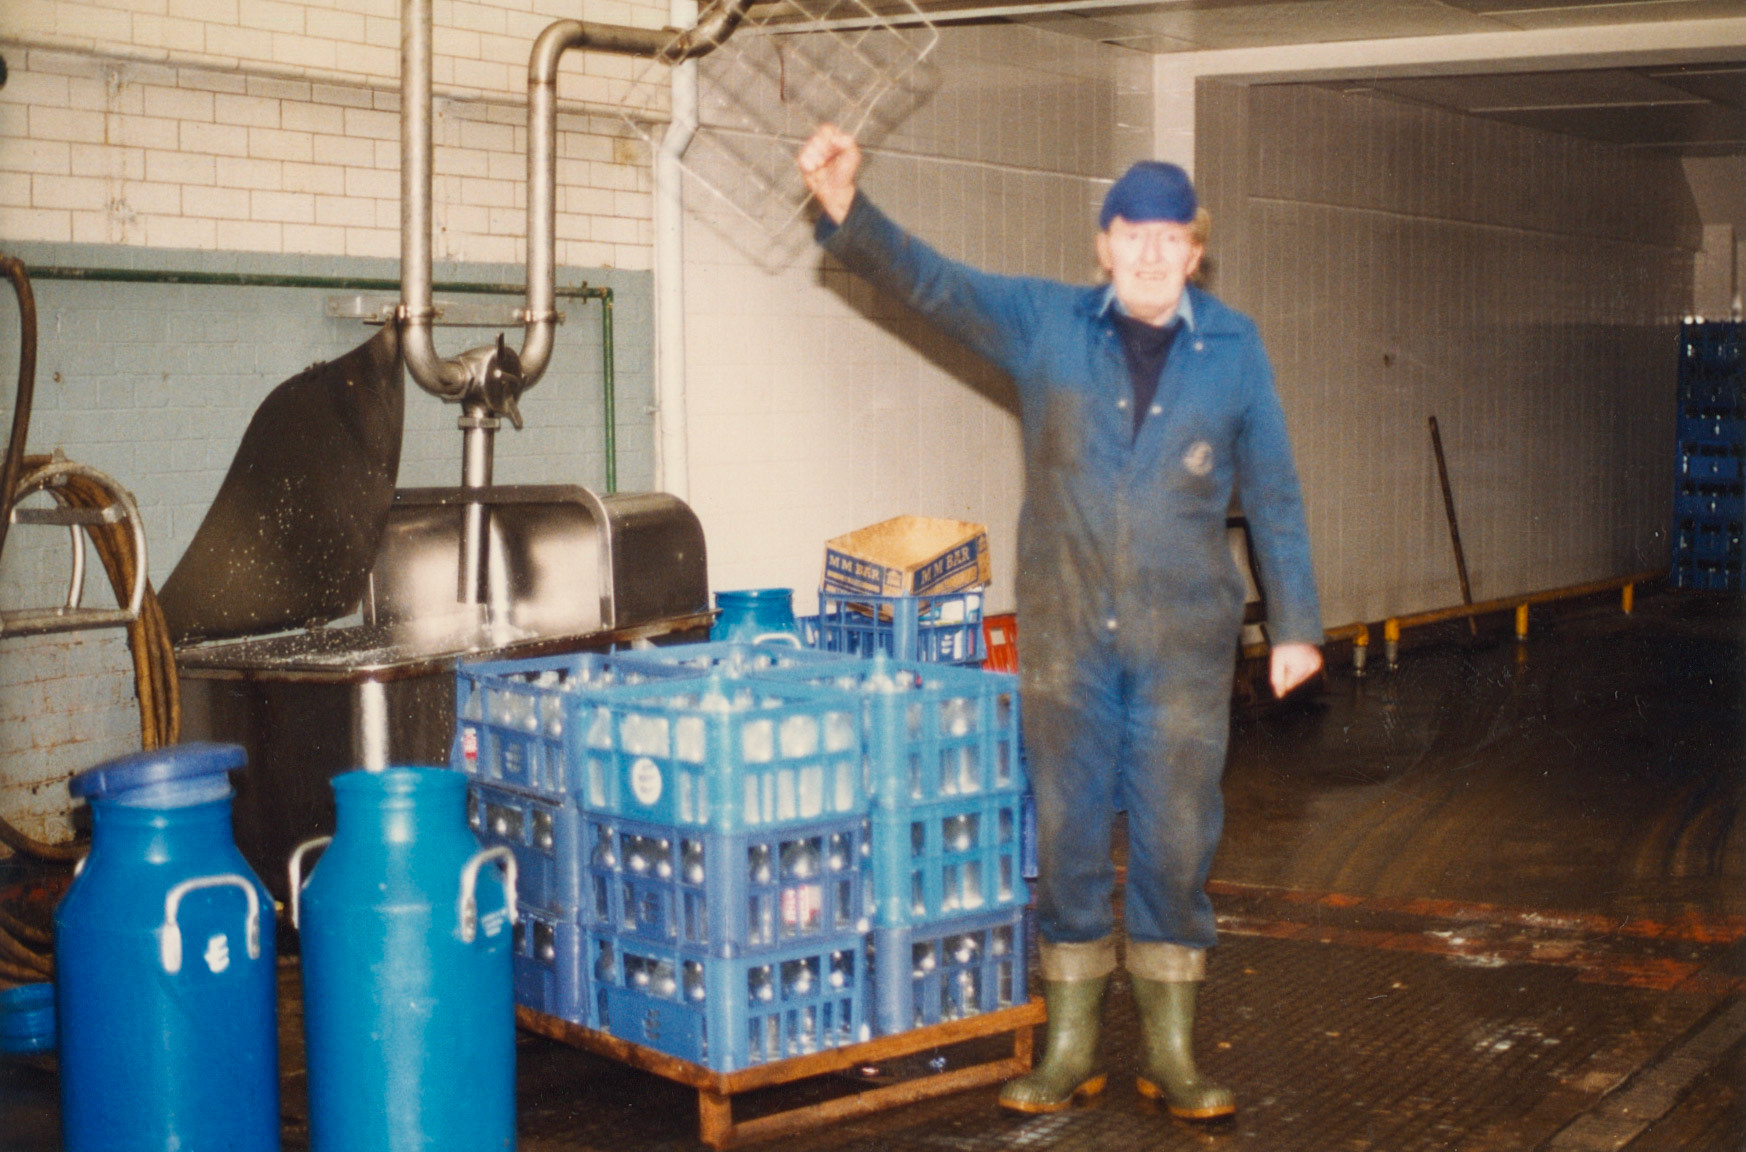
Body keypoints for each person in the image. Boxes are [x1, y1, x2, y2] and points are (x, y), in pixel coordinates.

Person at [798, 123, 1325, 1122]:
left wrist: (1296, 623)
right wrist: (843, 206)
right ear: (1104, 243)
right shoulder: (1045, 325)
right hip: (1068, 642)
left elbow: (1278, 488)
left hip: (1184, 648)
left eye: (1172, 236)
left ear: (1196, 249)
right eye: (1134, 233)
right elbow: (934, 284)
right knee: (1071, 834)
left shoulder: (1234, 347)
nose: (1152, 253)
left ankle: (1171, 1054)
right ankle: (1070, 1045)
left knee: (1176, 843)